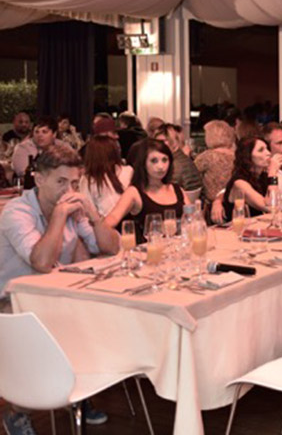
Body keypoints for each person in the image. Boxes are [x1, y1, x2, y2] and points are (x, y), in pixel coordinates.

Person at [0, 146, 118, 433]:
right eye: (61, 182)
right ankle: (17, 411)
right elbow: (41, 262)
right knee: (56, 326)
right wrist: (59, 216)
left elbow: (112, 247)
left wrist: (93, 215)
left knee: (102, 319)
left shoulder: (74, 209)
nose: (69, 191)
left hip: (55, 296)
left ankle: (73, 392)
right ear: (39, 179)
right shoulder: (17, 211)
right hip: (11, 302)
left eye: (75, 183)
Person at [104, 138, 189, 244]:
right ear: (143, 163)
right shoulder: (134, 192)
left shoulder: (177, 189)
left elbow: (193, 219)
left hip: (179, 248)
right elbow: (111, 219)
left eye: (164, 160)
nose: (161, 166)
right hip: (149, 250)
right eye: (154, 161)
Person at [221, 137, 282, 221]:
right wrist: (272, 172)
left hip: (256, 225)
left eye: (267, 149)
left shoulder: (262, 176)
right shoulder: (239, 182)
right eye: (261, 150)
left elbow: (277, 205)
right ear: (248, 156)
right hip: (236, 227)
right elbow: (270, 207)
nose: (268, 153)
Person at [79, 134, 134, 218]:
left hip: (103, 222)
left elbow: (87, 210)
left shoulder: (87, 179)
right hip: (129, 220)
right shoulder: (128, 171)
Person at [194, 120, 235, 204]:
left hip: (212, 203)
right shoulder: (236, 155)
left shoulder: (208, 156)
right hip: (233, 201)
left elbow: (191, 174)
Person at [154, 124, 203, 193]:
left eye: (162, 142)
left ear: (173, 141)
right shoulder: (184, 158)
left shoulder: (174, 165)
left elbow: (169, 191)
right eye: (156, 142)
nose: (157, 146)